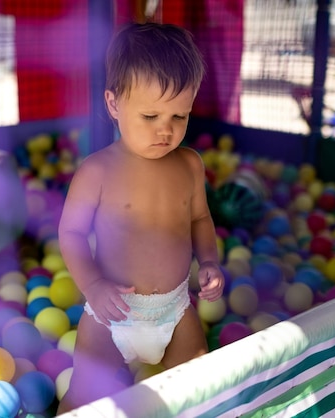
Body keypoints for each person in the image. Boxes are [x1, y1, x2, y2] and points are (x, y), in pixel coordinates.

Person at [56, 22, 225, 414]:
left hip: (175, 309)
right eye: (150, 116)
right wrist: (94, 285)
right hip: (110, 315)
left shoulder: (189, 165)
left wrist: (210, 261)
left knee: (200, 392)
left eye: (179, 117)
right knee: (83, 395)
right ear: (114, 105)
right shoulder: (96, 171)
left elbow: (200, 219)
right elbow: (72, 232)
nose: (165, 130)